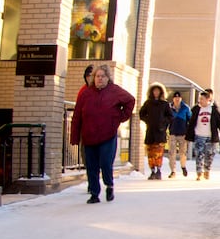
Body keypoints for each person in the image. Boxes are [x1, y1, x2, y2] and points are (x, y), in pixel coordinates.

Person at [70, 63, 134, 203]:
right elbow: (77, 115)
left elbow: (130, 101)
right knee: (91, 166)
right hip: (89, 135)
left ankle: (109, 185)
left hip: (107, 135)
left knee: (105, 163)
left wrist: (120, 117)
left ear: (107, 78)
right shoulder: (86, 93)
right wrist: (75, 135)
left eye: (103, 76)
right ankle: (94, 193)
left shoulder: (114, 90)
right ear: (94, 78)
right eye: (97, 76)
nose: (100, 79)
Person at [186, 89, 220, 180]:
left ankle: (207, 170)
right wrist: (188, 135)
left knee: (209, 154)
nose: (200, 100)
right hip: (199, 135)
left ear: (208, 99)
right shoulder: (196, 109)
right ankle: (199, 172)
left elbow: (219, 121)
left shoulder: (213, 109)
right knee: (199, 154)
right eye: (200, 99)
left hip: (210, 136)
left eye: (202, 99)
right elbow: (191, 122)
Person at [139, 82, 170, 180]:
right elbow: (141, 114)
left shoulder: (164, 104)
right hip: (150, 132)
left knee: (159, 152)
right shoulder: (148, 103)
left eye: (158, 91)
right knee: (151, 152)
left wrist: (163, 122)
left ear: (161, 92)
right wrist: (148, 120)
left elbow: (170, 116)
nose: (156, 92)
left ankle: (159, 170)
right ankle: (152, 171)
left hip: (160, 132)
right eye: (154, 91)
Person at [165, 91, 190, 178]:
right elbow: (166, 120)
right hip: (172, 133)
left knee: (183, 152)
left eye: (178, 97)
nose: (177, 99)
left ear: (181, 99)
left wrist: (189, 132)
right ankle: (173, 171)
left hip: (183, 134)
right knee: (172, 153)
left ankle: (183, 166)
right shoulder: (169, 108)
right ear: (173, 99)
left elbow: (190, 119)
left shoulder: (185, 108)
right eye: (175, 98)